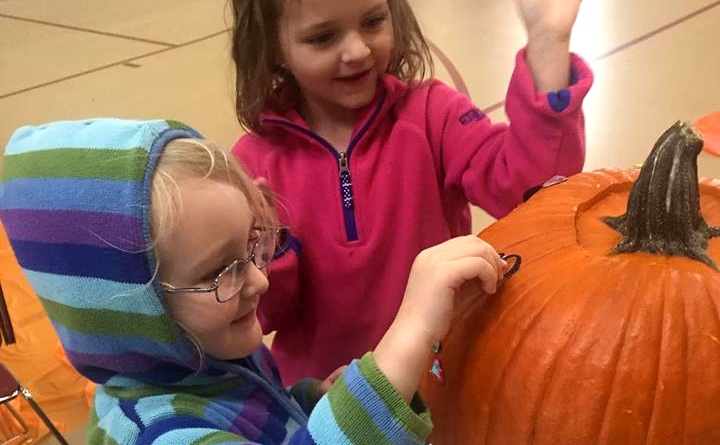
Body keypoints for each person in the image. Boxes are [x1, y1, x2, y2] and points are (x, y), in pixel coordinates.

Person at [230, 0, 599, 385]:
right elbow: (260, 315)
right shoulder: (255, 163)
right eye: (323, 37)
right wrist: (261, 253)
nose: (358, 50)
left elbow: (534, 188)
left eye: (373, 21)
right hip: (322, 400)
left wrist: (548, 45)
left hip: (440, 385)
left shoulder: (432, 116)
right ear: (274, 47)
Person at [0, 118, 505, 444]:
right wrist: (410, 335)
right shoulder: (160, 435)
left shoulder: (204, 359)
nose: (259, 280)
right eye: (222, 270)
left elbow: (266, 422)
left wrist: (309, 400)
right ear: (131, 311)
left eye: (252, 247)